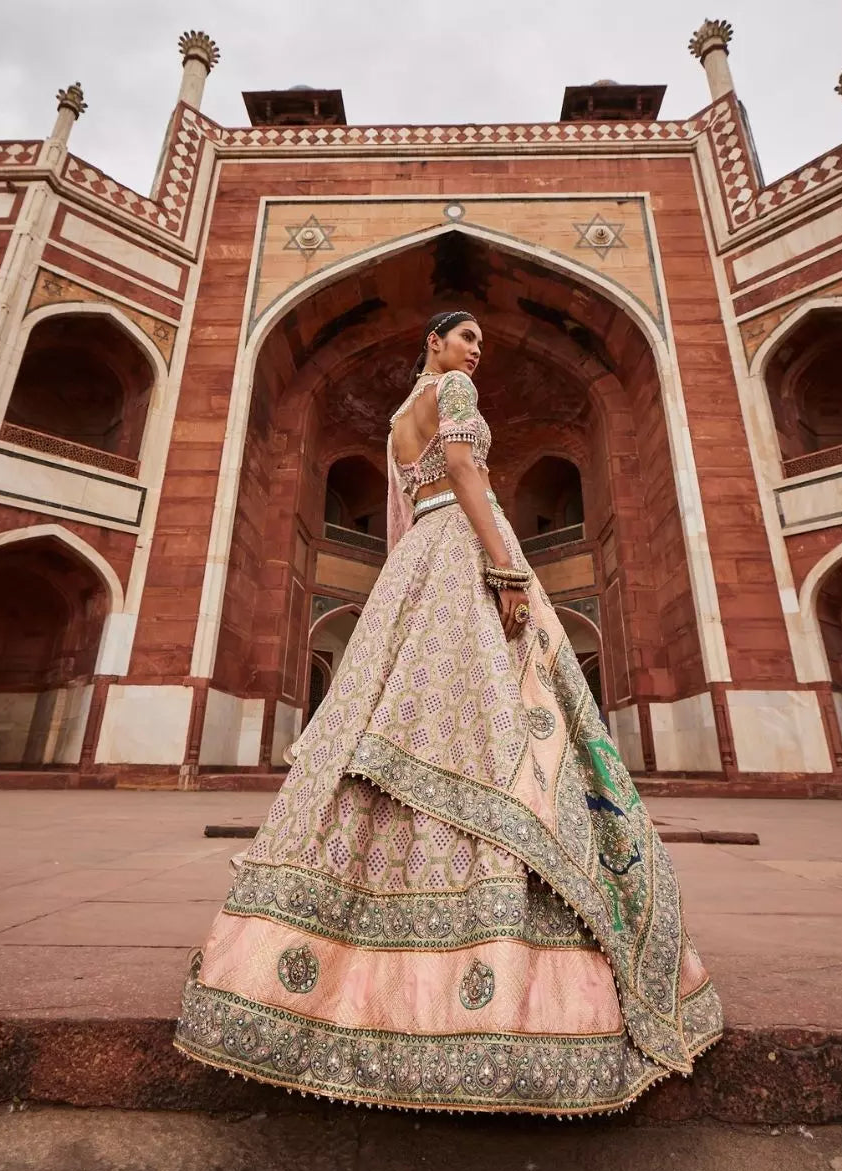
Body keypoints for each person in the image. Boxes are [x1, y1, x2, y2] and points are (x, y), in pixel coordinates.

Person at [175, 310, 722, 1115]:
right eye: (466, 338)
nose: (477, 352)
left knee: (405, 723)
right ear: (432, 342)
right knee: (496, 723)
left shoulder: (398, 419)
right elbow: (466, 470)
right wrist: (505, 567)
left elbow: (414, 501)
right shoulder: (454, 390)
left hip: (416, 563)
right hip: (468, 549)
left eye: (479, 345)